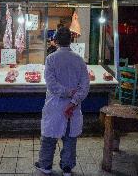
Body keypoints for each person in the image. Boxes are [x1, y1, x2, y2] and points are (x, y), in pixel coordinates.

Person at [35, 27, 90, 176]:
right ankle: (67, 167)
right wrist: (73, 101)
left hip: (55, 104)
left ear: (56, 41)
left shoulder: (51, 58)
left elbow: (51, 84)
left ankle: (45, 165)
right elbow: (85, 86)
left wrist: (65, 92)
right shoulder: (79, 60)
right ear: (71, 41)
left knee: (49, 136)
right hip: (73, 106)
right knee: (70, 137)